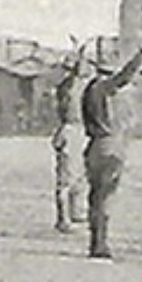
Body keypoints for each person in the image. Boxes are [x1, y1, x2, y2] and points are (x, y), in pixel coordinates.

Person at [80, 42, 142, 260]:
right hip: (108, 145)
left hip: (94, 145)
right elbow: (124, 77)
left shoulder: (90, 88)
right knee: (105, 197)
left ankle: (96, 241)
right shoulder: (103, 87)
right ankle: (99, 244)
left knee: (96, 196)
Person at [51, 46, 90, 233]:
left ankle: (75, 212)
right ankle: (63, 218)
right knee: (66, 178)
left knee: (80, 175)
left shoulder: (71, 85)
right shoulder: (71, 87)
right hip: (72, 130)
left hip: (78, 130)